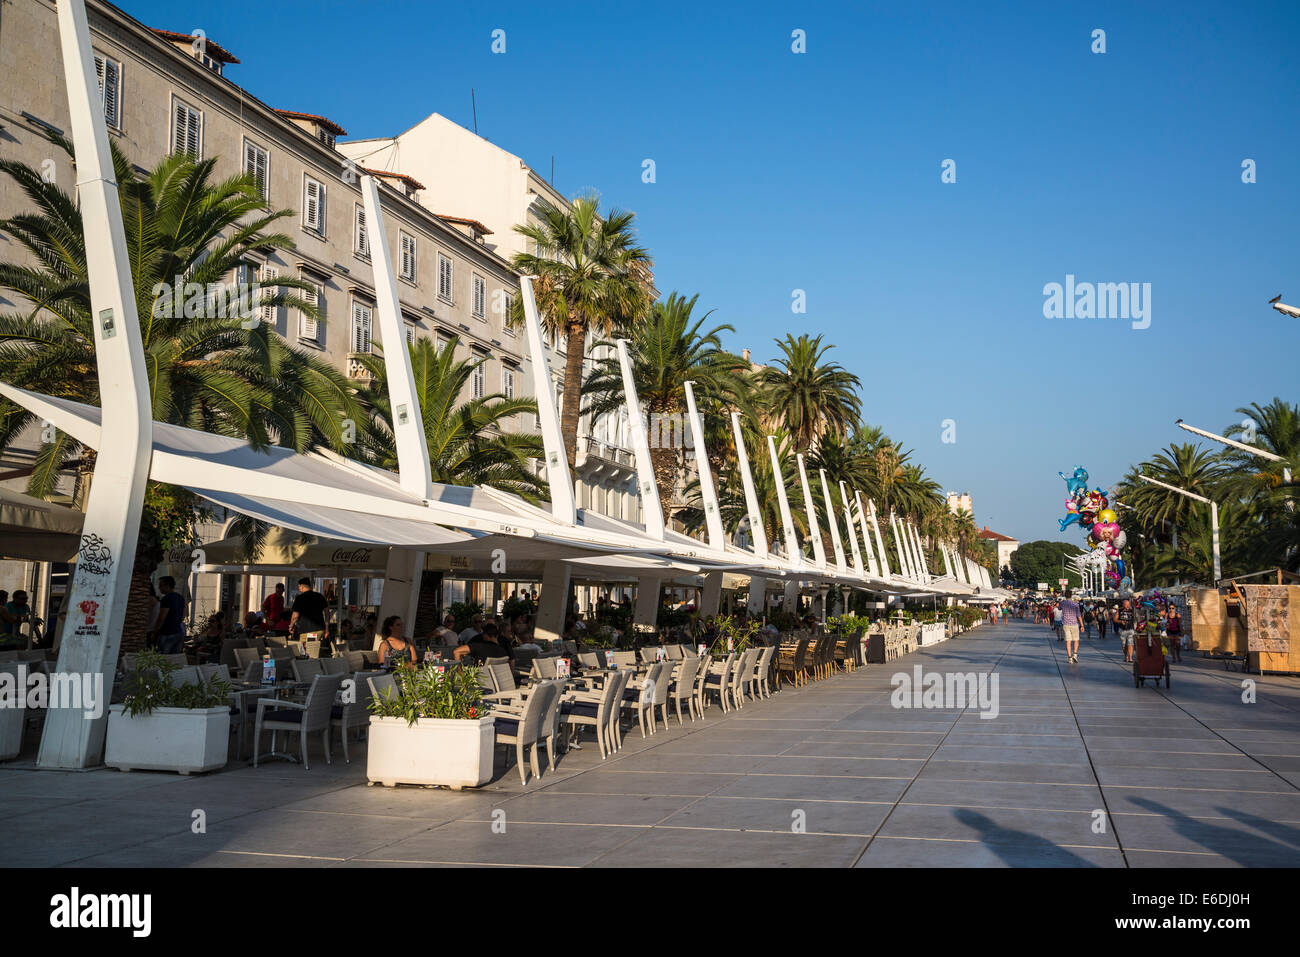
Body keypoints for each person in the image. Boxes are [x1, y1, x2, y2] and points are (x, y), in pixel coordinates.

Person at [289, 577, 329, 646]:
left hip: (306, 630)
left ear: (301, 586)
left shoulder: (299, 598)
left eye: (299, 587)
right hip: (319, 629)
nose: (299, 588)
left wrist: (291, 626)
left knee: (305, 650)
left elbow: (295, 616)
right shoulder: (320, 596)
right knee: (315, 649)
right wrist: (327, 628)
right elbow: (327, 613)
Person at [151, 577, 187, 654]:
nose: (159, 588)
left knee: (163, 658)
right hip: (178, 632)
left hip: (167, 633)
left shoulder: (166, 599)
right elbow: (182, 616)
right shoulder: (180, 597)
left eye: (161, 585)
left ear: (167, 586)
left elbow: (161, 618)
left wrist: (155, 632)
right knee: (174, 658)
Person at [1058, 590, 1082, 663]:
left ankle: (1069, 658)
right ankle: (1075, 655)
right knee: (1076, 640)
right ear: (1071, 595)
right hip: (1074, 624)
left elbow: (1059, 608)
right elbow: (1079, 615)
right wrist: (1082, 625)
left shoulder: (1062, 603)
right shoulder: (1075, 604)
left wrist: (1061, 603)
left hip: (1066, 624)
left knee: (1068, 641)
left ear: (1065, 595)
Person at [1113, 599, 1136, 663]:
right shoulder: (1119, 610)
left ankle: (1130, 658)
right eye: (1126, 604)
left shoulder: (1132, 610)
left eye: (1128, 604)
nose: (1128, 606)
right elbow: (1114, 619)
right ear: (1123, 605)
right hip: (1122, 630)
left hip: (1130, 629)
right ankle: (1126, 656)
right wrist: (1120, 621)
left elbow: (1136, 618)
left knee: (1130, 643)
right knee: (1124, 645)